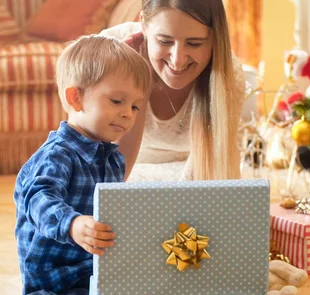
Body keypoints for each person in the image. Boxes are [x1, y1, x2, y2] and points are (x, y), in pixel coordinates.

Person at [7, 34, 151, 295]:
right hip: (56, 275)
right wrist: (72, 224)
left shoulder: (112, 158)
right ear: (75, 98)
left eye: (135, 107)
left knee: (145, 289)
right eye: (117, 101)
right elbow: (37, 198)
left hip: (93, 266)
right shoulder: (57, 155)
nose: (128, 113)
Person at [101, 0, 250, 181]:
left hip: (191, 176)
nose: (178, 61)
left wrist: (175, 203)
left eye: (194, 43)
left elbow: (207, 176)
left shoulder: (228, 74)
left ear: (215, 38)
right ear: (143, 25)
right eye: (165, 41)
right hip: (119, 174)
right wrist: (135, 83)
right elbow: (108, 178)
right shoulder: (107, 53)